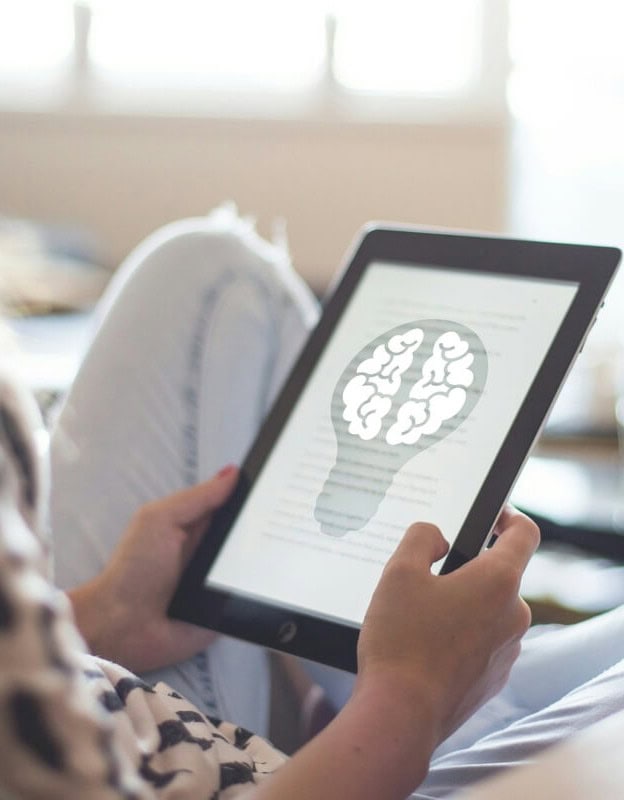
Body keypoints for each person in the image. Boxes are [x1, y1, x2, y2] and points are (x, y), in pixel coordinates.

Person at [2, 205, 624, 799]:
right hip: (229, 766)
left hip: (107, 689)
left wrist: (100, 615)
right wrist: (405, 706)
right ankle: (435, 714)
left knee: (205, 263)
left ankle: (393, 696)